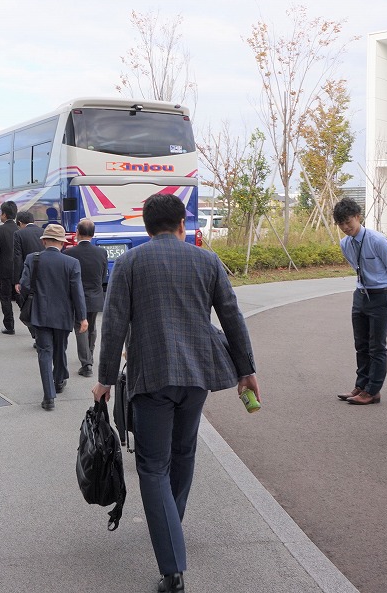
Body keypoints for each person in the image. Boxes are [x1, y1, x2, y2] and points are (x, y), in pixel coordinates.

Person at [92, 194, 259, 593]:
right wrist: (247, 370)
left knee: (152, 466)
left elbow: (114, 323)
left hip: (152, 377)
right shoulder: (207, 260)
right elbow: (231, 315)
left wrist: (106, 379)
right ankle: (171, 525)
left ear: (146, 227)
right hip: (198, 375)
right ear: (183, 224)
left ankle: (173, 568)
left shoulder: (130, 262)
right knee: (184, 453)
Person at [333, 197, 387, 405]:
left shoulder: (377, 240)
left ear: (357, 217)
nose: (345, 227)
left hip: (381, 295)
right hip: (360, 295)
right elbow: (356, 267)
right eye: (341, 224)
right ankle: (361, 386)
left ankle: (373, 390)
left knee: (377, 346)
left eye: (348, 222)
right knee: (361, 345)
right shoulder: (345, 244)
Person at [18, 224, 87, 411]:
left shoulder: (33, 259)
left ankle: (49, 397)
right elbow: (77, 292)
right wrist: (82, 318)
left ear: (43, 240)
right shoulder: (71, 263)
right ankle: (58, 380)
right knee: (60, 349)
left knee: (44, 352)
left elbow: (24, 285)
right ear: (63, 244)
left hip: (40, 314)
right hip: (64, 315)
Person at [63, 218, 108, 378]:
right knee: (92, 326)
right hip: (95, 295)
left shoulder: (69, 253)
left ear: (78, 233)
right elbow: (103, 276)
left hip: (77, 296)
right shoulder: (101, 252)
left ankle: (86, 363)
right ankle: (89, 354)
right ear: (93, 234)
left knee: (80, 327)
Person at [0, 201, 18, 334]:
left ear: (4, 215)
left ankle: (9, 326)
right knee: (20, 297)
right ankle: (32, 327)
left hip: (4, 269)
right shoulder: (20, 229)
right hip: (19, 269)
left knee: (5, 297)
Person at [13, 211, 44, 338]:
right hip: (44, 274)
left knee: (27, 304)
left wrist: (17, 280)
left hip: (28, 274)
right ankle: (42, 333)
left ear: (19, 223)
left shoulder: (18, 234)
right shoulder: (43, 232)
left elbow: (17, 258)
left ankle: (35, 333)